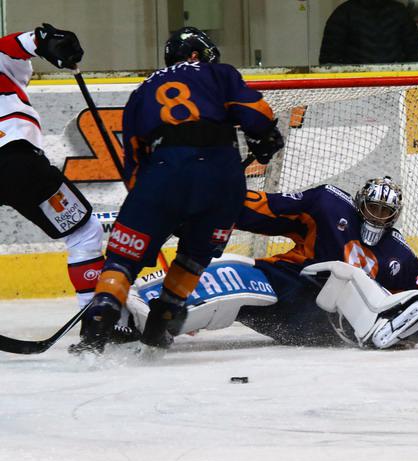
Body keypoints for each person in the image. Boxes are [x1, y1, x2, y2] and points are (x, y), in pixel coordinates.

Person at [71, 27, 283, 354]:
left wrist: (153, 205)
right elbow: (258, 115)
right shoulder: (219, 73)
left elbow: (134, 164)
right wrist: (265, 139)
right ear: (196, 54)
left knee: (123, 257)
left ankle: (100, 317)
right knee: (195, 254)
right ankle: (165, 317)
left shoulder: (141, 92)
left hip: (164, 171)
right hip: (223, 175)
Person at [126, 177, 418, 349]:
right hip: (286, 286)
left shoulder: (399, 254)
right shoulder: (328, 205)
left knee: (347, 278)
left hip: (322, 324)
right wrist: (214, 208)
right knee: (232, 276)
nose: (377, 216)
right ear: (359, 204)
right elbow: (267, 208)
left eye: (385, 211)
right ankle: (141, 314)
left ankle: (377, 328)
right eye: (373, 208)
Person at [0, 24, 105, 307]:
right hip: (11, 158)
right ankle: (98, 318)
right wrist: (48, 40)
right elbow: (24, 43)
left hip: (12, 163)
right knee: (84, 232)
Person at [319, 0, 418, 65]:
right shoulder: (400, 12)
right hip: (396, 84)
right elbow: (415, 54)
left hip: (354, 85)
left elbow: (329, 62)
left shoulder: (342, 13)